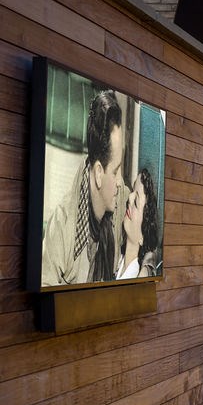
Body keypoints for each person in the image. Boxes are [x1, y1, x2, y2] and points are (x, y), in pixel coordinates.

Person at [40, 90, 124, 286]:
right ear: (98, 174)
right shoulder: (61, 226)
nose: (121, 182)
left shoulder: (120, 198)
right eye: (116, 171)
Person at [116, 168, 161, 280]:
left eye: (136, 202)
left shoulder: (137, 279)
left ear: (143, 236)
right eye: (132, 191)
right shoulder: (116, 259)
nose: (129, 198)